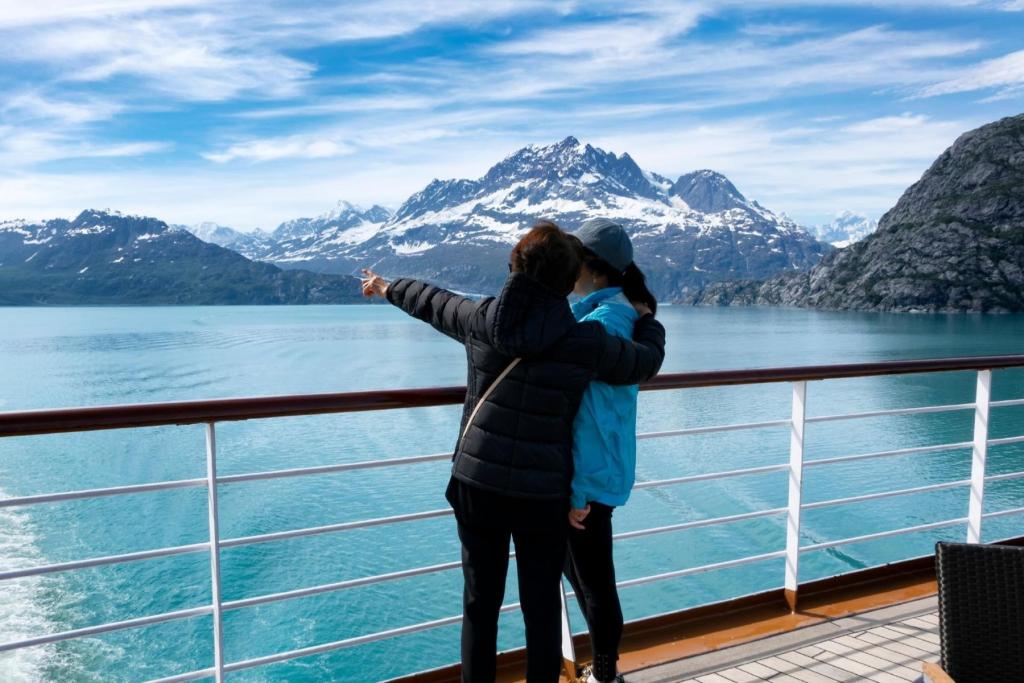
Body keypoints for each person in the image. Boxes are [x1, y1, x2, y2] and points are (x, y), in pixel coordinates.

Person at [361, 221, 665, 682]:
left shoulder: (480, 319)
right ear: (567, 282)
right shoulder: (584, 342)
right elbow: (643, 363)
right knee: (540, 610)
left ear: (513, 268)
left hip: (476, 484)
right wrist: (649, 321)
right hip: (540, 495)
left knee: (480, 606)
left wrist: (386, 287)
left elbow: (432, 301)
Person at [564, 218, 658, 683]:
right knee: (583, 572)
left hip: (592, 475)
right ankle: (604, 669)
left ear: (594, 270)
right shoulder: (618, 314)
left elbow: (589, 418)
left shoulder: (604, 323)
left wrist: (578, 489)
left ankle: (605, 674)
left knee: (596, 582)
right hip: (605, 467)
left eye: (574, 260)